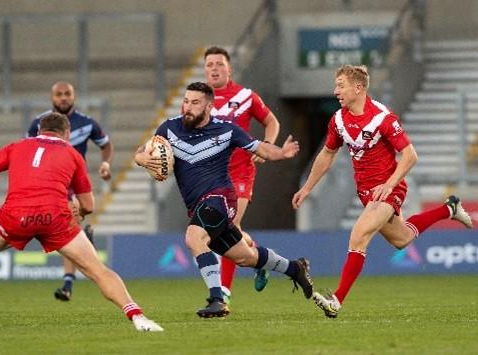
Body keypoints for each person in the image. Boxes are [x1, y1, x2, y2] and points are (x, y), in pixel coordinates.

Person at [0, 113, 162, 332]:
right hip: (55, 217)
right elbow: (90, 205)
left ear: (38, 130)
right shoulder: (73, 155)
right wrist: (80, 212)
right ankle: (138, 317)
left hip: (16, 215)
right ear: (67, 133)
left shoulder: (17, 146)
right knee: (97, 269)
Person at [291, 65, 474, 319]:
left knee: (358, 235)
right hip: (367, 192)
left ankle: (336, 300)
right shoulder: (339, 120)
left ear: (358, 88)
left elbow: (410, 155)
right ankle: (449, 208)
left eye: (341, 85)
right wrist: (308, 187)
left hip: (389, 188)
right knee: (402, 239)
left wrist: (389, 184)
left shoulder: (382, 118)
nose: (336, 91)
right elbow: (328, 153)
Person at [135, 82, 313, 318]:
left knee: (194, 237)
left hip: (221, 198)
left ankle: (217, 299)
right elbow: (141, 152)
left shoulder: (227, 130)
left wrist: (281, 152)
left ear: (209, 106)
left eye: (195, 102)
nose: (187, 107)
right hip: (198, 205)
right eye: (186, 101)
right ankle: (294, 268)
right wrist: (143, 160)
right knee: (245, 257)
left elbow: (260, 148)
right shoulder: (168, 129)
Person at [203, 46, 281, 301]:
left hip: (240, 172)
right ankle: (259, 258)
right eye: (210, 65)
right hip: (211, 177)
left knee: (227, 226)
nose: (214, 68)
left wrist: (266, 145)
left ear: (229, 68)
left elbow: (272, 122)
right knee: (229, 230)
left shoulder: (246, 96)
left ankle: (223, 291)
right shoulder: (197, 100)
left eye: (219, 64)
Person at [27, 81, 114, 302]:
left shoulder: (86, 123)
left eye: (67, 94)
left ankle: (67, 283)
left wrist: (106, 164)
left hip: (74, 183)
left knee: (69, 225)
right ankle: (80, 250)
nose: (63, 98)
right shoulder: (38, 123)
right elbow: (27, 151)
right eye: (59, 94)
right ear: (52, 97)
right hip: (47, 182)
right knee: (65, 228)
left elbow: (106, 145)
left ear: (74, 97)